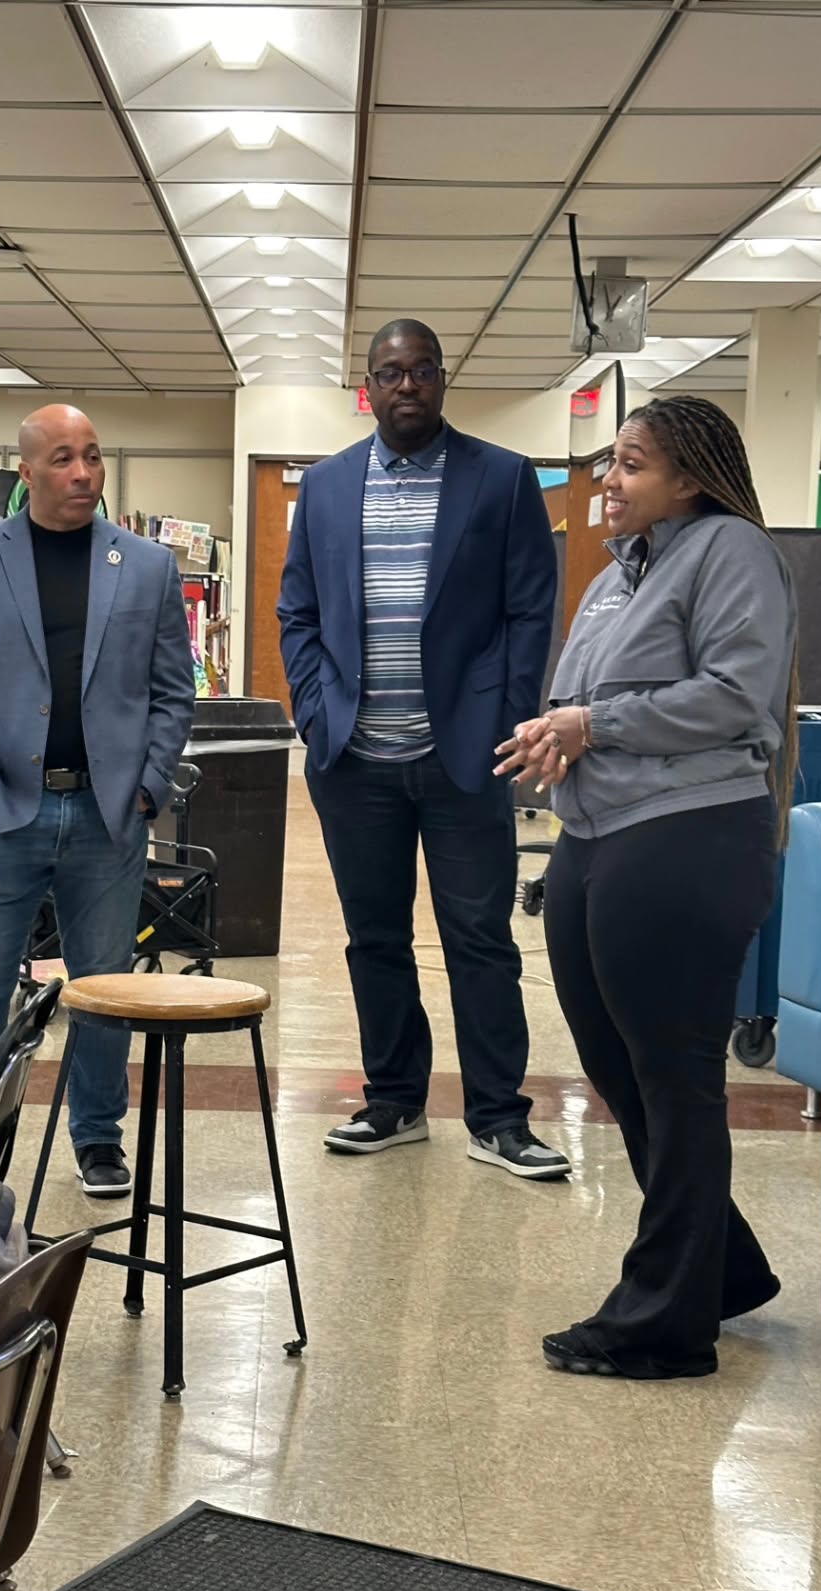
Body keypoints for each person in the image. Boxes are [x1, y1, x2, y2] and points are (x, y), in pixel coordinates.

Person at [496, 394, 797, 1380]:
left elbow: (733, 695)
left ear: (688, 479)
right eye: (608, 462)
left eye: (630, 464)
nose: (608, 482)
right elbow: (587, 696)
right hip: (599, 830)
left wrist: (592, 727)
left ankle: (667, 1320)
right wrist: (559, 731)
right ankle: (723, 1267)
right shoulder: (626, 573)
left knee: (674, 1076)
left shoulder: (730, 552)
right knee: (616, 1065)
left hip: (690, 836)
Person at [277, 317, 569, 1180]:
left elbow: (529, 611)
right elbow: (298, 610)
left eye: (422, 372)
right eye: (390, 373)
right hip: (354, 758)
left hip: (464, 756)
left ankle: (498, 1118)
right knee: (374, 936)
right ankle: (395, 1099)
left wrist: (505, 718)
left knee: (479, 934)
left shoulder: (504, 479)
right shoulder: (326, 486)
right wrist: (314, 708)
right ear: (366, 387)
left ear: (443, 381)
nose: (407, 386)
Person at [0, 404, 195, 1196]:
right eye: (64, 459)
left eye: (94, 457)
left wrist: (148, 786)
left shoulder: (146, 567)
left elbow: (174, 692)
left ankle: (99, 1139)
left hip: (108, 817)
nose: (83, 473)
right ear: (27, 471)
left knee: (102, 987)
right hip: (0, 813)